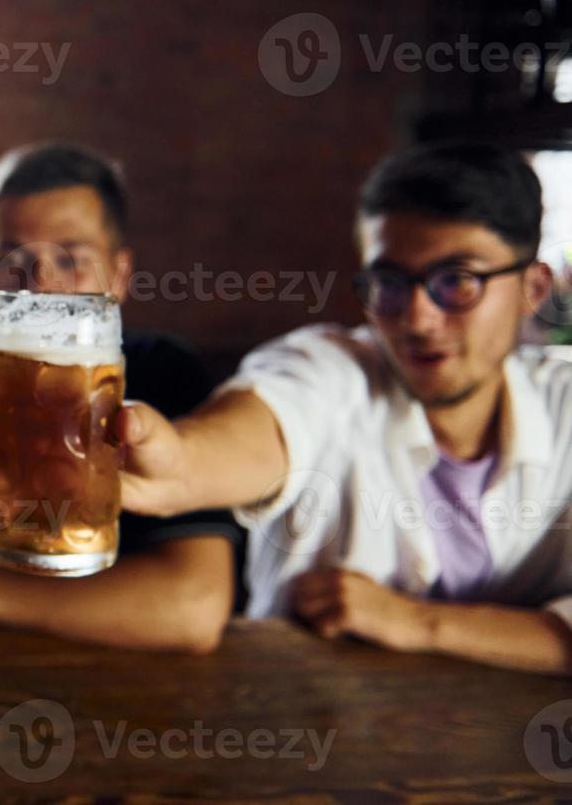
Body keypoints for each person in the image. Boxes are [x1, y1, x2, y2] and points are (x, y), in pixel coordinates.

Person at [121, 143, 572, 675]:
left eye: (458, 281)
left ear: (533, 288)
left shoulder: (563, 405)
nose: (418, 319)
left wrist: (415, 622)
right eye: (390, 283)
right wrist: (179, 466)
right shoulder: (329, 368)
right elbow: (264, 425)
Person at [0, 142, 241, 653]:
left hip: (122, 698)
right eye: (15, 258)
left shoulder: (164, 371)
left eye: (72, 256)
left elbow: (192, 608)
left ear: (119, 274)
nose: (42, 280)